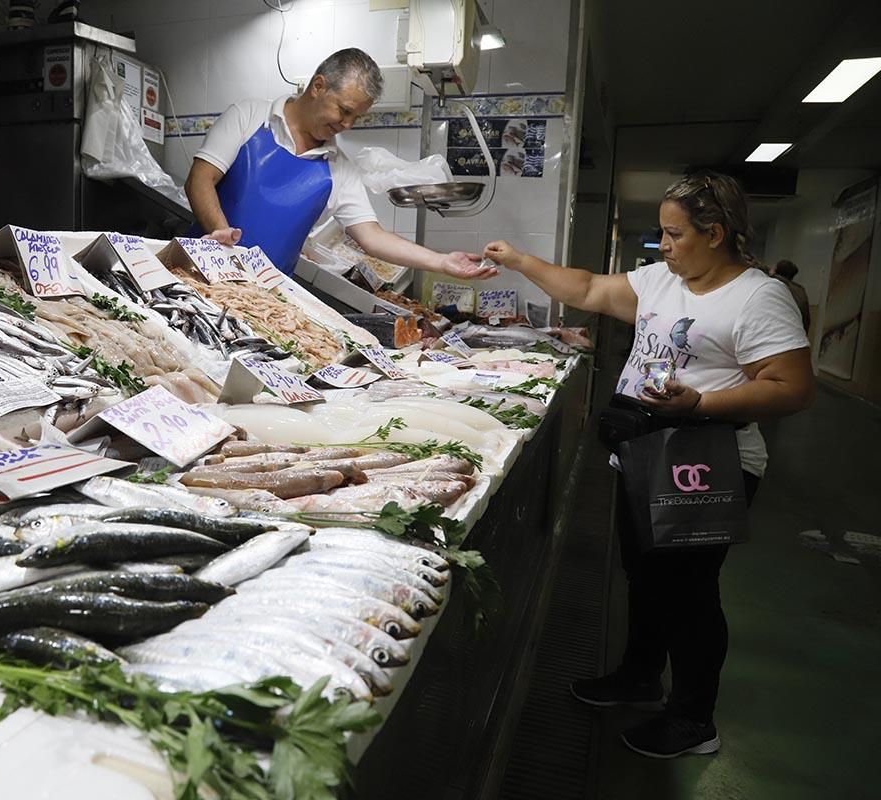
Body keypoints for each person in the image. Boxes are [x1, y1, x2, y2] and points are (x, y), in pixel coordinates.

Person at [482, 171, 815, 759]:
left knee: (689, 594)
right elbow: (585, 288)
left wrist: (701, 403)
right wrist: (519, 259)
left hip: (710, 460)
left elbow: (792, 387)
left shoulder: (758, 297)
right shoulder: (663, 280)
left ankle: (693, 721)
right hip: (645, 453)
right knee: (643, 576)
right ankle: (639, 675)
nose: (662, 245)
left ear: (715, 234)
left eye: (674, 234)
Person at [184, 48, 489, 279]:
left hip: (266, 294)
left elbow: (372, 236)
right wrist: (221, 235)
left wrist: (441, 261)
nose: (347, 124)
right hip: (199, 270)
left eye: (356, 118)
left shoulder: (339, 168)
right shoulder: (248, 116)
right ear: (318, 86)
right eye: (344, 111)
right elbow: (200, 179)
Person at [771, 259, 812, 333]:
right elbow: (806, 319)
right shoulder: (800, 290)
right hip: (794, 335)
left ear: (776, 270)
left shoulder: (771, 284)